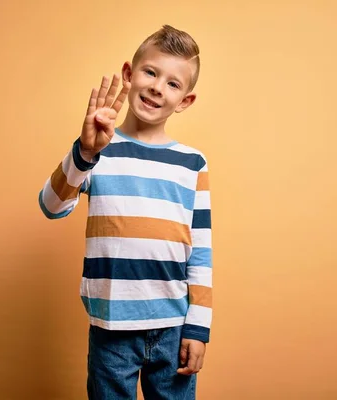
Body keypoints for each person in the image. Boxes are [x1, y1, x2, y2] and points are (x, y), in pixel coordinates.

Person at [38, 24, 213, 399]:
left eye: (172, 83)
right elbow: (51, 206)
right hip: (111, 326)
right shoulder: (98, 147)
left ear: (185, 100)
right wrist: (84, 153)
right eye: (150, 73)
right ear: (130, 75)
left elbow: (200, 251)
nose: (156, 87)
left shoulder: (192, 164)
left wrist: (198, 328)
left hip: (173, 327)